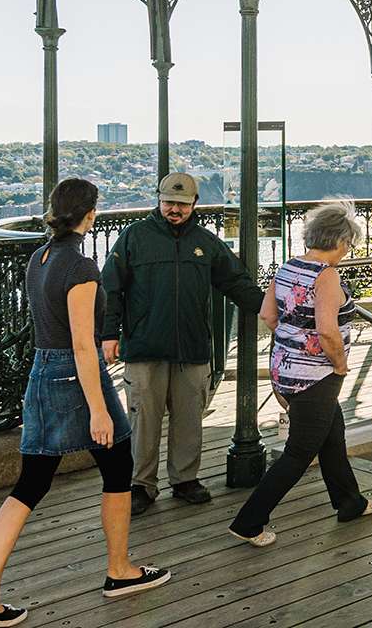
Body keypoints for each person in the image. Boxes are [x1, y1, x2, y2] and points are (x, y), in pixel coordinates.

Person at [0, 178, 168, 627]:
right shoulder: (81, 267)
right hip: (74, 374)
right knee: (118, 464)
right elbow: (81, 344)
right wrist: (99, 409)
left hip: (42, 371)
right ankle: (119, 571)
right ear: (90, 215)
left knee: (31, 484)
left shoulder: (39, 258)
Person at [100, 172, 265, 515]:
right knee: (144, 419)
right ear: (158, 200)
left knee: (190, 417)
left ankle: (185, 479)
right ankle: (141, 485)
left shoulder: (206, 242)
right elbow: (110, 288)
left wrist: (269, 307)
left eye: (182, 204)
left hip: (192, 346)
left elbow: (235, 281)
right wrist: (108, 334)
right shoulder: (134, 237)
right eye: (169, 203)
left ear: (194, 204)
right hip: (144, 346)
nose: (175, 209)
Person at [228, 200, 372, 545]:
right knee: (298, 453)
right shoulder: (326, 276)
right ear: (339, 240)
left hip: (285, 370)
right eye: (349, 243)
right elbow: (327, 330)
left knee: (332, 436)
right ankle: (248, 522)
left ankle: (350, 502)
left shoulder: (288, 267)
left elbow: (268, 315)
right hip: (316, 377)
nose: (348, 250)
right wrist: (339, 365)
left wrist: (295, 340)